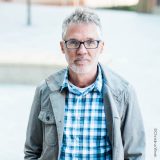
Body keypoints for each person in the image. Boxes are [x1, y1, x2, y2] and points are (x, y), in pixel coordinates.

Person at [24, 8, 145, 160]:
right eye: (73, 42)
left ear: (101, 47)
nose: (82, 50)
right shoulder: (45, 90)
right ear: (63, 47)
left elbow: (135, 155)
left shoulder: (124, 93)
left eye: (90, 42)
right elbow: (32, 152)